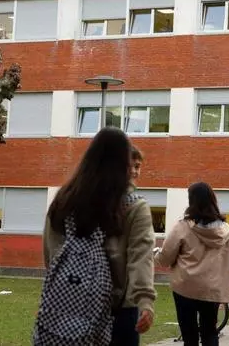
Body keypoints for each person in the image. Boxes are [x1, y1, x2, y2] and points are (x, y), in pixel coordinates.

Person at [42, 127, 156, 346]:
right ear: (124, 163)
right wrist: (145, 300)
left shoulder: (64, 200)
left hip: (66, 304)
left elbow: (51, 252)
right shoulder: (134, 207)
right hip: (117, 312)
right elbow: (140, 258)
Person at [155, 182, 229, 346]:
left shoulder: (183, 227)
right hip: (212, 289)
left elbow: (165, 258)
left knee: (189, 335)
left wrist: (156, 254)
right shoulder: (227, 231)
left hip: (185, 287)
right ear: (213, 200)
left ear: (191, 201)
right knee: (210, 332)